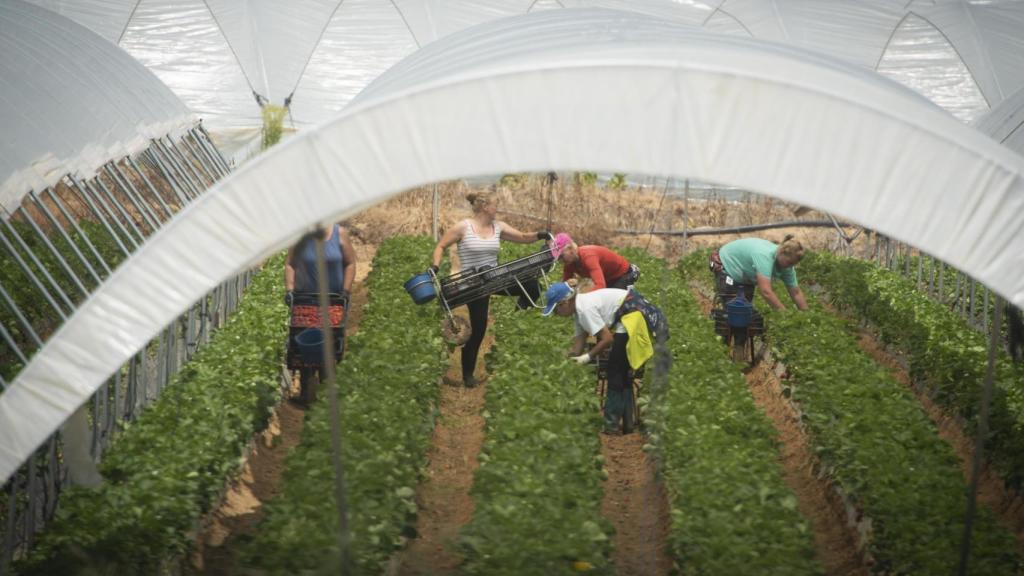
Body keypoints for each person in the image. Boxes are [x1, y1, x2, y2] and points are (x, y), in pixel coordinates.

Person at [430, 189, 552, 387]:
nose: (498, 208)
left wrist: (540, 234)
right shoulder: (464, 227)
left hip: (495, 277)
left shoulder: (498, 226)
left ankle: (517, 318)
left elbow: (522, 236)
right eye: (495, 204)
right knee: (478, 330)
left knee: (532, 285)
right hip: (474, 283)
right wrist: (435, 265)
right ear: (485, 207)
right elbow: (441, 246)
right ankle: (468, 375)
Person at [543, 280, 668, 435]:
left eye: (556, 310)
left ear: (565, 303)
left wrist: (587, 357)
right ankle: (626, 425)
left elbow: (607, 338)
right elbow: (578, 344)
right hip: (630, 315)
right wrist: (565, 361)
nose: (556, 314)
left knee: (615, 371)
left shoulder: (584, 309)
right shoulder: (578, 311)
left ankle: (611, 425)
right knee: (622, 373)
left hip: (632, 317)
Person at [284, 223, 357, 406]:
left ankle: (327, 386)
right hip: (305, 301)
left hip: (333, 301)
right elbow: (290, 264)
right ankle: (305, 388)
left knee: (331, 340)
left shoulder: (339, 234)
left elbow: (350, 263)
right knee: (302, 340)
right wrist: (290, 290)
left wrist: (346, 291)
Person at [710, 235, 808, 310]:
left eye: (793, 264)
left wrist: (806, 314)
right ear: (781, 251)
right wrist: (785, 314)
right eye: (789, 262)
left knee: (745, 309)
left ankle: (740, 333)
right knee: (734, 310)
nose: (790, 266)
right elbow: (766, 292)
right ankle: (724, 331)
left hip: (745, 276)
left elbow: (796, 292)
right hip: (726, 264)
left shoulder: (787, 267)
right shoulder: (765, 256)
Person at [550, 233, 640, 289]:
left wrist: (582, 297)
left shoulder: (588, 257)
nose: (561, 261)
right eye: (558, 258)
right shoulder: (569, 263)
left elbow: (600, 285)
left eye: (561, 256)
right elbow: (565, 285)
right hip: (608, 278)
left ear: (571, 249)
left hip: (623, 274)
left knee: (615, 307)